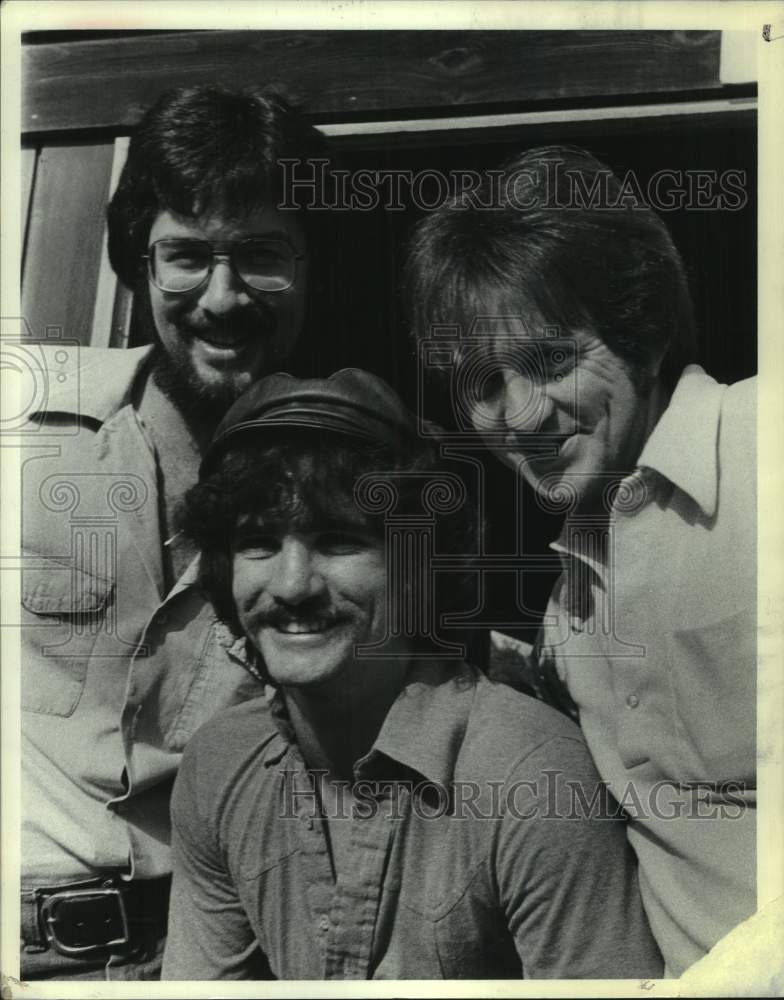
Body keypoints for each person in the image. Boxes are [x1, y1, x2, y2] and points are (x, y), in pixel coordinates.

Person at [161, 368, 663, 981]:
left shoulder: (531, 775)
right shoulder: (218, 766)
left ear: (418, 567)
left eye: (340, 542)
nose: (292, 585)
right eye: (259, 544)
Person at [404, 145, 757, 977]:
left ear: (644, 328)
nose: (521, 415)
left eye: (552, 360)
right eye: (484, 382)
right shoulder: (570, 602)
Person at [19, 84, 328, 979]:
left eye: (262, 255)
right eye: (186, 256)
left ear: (312, 269)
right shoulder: (26, 422)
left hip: (201, 960)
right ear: (136, 262)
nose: (222, 299)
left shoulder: (340, 521)